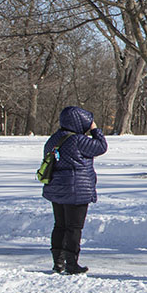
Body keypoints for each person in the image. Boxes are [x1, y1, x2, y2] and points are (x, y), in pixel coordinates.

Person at [42, 106, 108, 275]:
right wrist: (95, 130)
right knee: (74, 227)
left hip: (57, 188)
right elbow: (101, 147)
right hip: (77, 189)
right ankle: (72, 263)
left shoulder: (53, 139)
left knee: (60, 225)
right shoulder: (78, 140)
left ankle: (58, 262)